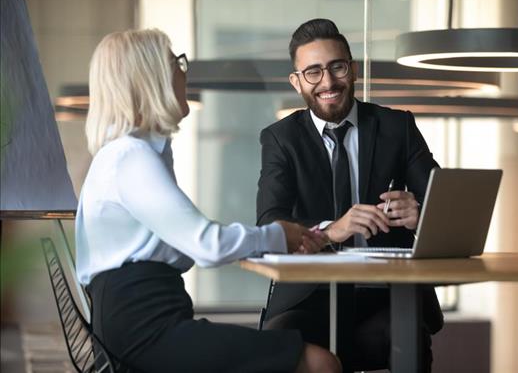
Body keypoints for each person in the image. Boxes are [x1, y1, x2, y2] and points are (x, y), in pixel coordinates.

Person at [76, 28, 341, 373]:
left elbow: (188, 248)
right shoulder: (131, 158)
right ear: (152, 77)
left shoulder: (131, 155)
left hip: (136, 323)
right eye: (177, 63)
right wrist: (278, 235)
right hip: (146, 331)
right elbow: (207, 246)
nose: (184, 72)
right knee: (320, 363)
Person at [256, 18, 444, 372]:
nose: (328, 82)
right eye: (313, 72)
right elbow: (269, 222)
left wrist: (422, 212)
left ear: (352, 69)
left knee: (407, 335)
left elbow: (445, 204)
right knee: (280, 346)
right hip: (309, 296)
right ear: (296, 82)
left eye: (336, 67)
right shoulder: (281, 139)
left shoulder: (397, 126)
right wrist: (331, 230)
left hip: (387, 293)